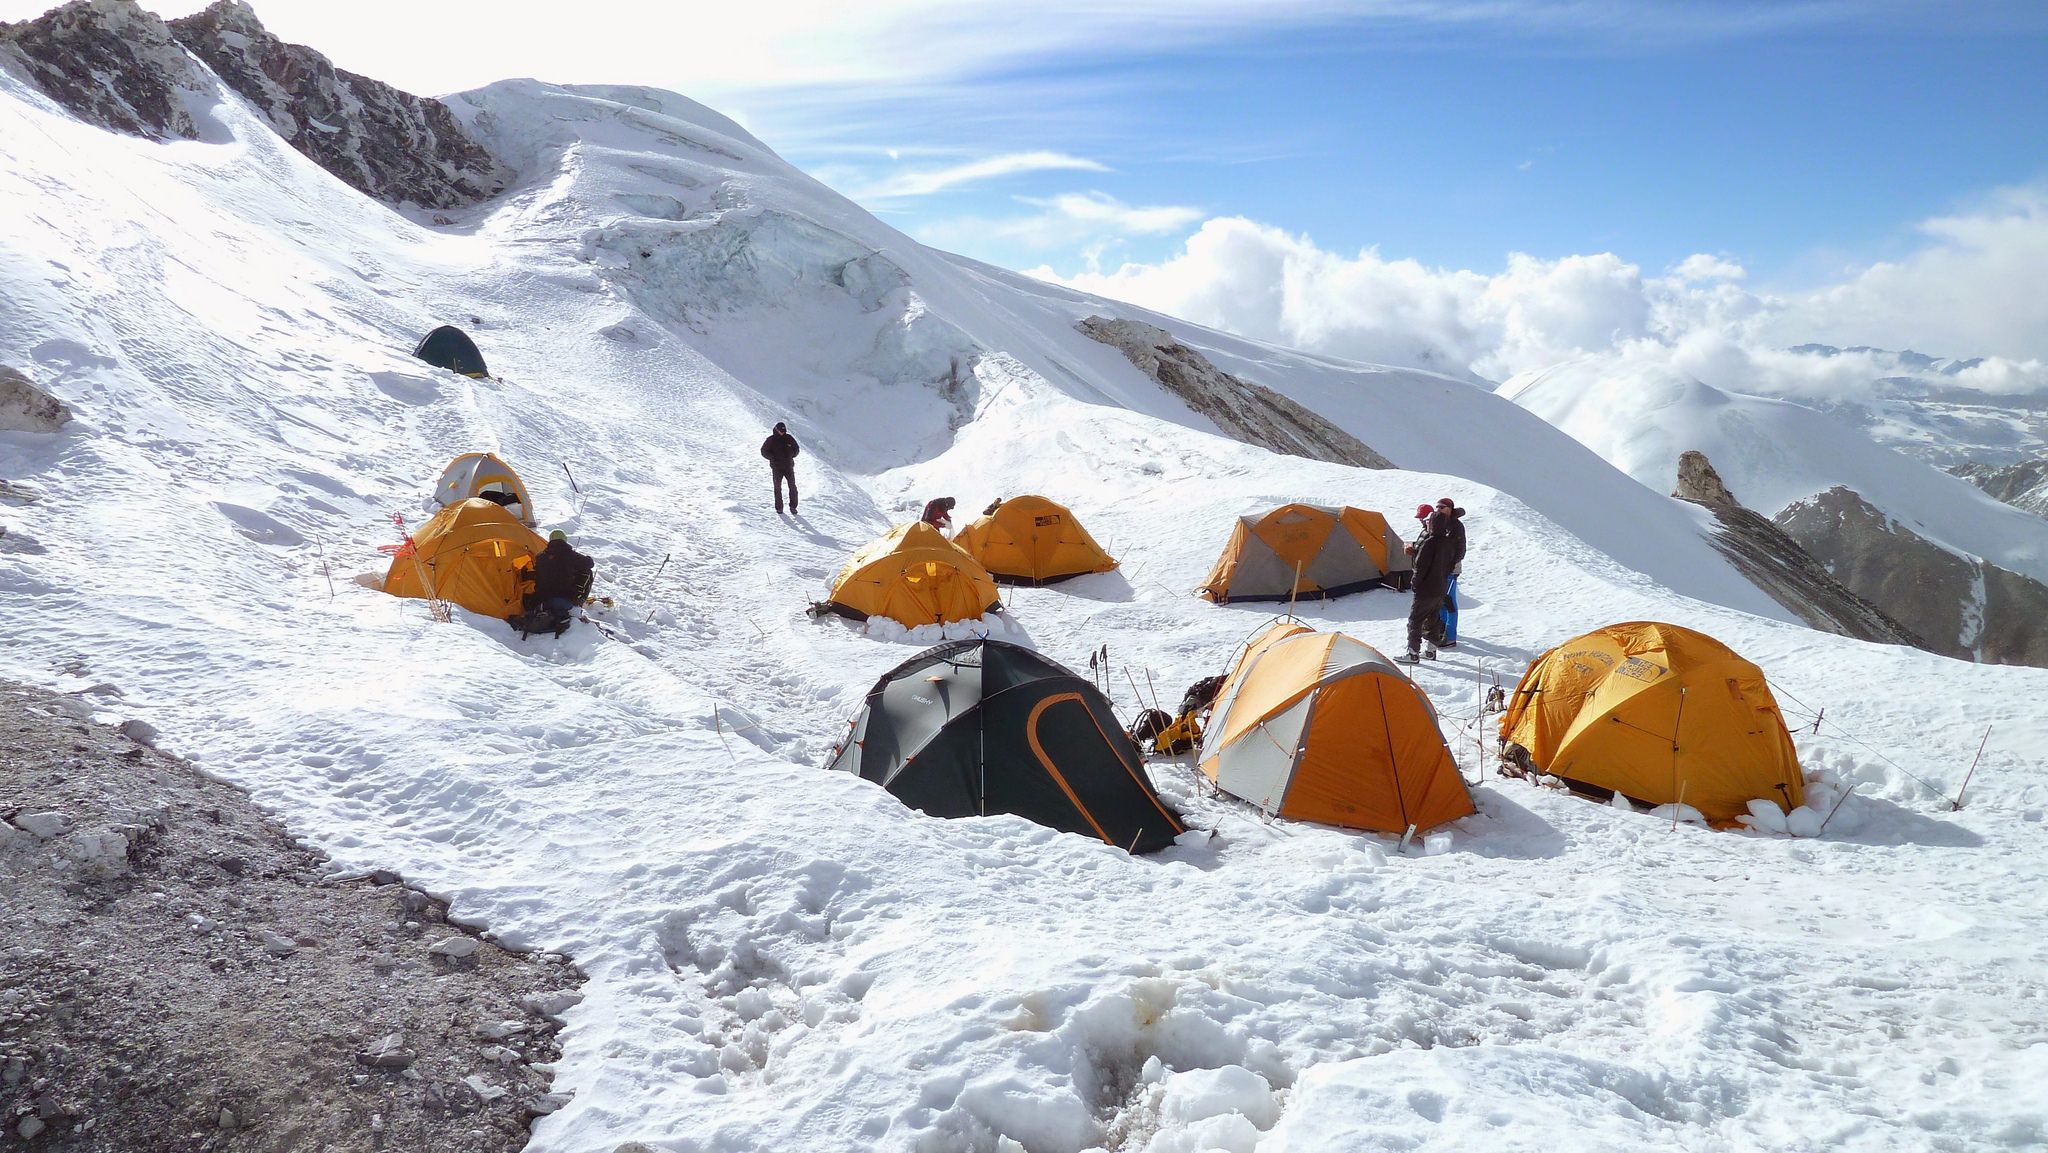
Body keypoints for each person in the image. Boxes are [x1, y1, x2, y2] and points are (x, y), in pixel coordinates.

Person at [1399, 502, 1457, 664]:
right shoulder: (1448, 543)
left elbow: (1421, 566)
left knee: (1415, 620)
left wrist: (1415, 583)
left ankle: (1412, 653)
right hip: (1440, 587)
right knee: (1434, 619)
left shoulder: (1429, 543)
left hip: (1426, 589)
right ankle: (1431, 651)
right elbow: (1450, 565)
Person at [518, 529, 594, 637]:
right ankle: (578, 603)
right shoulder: (571, 556)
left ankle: (544, 611)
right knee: (587, 572)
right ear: (565, 540)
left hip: (540, 599)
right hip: (565, 599)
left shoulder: (540, 557)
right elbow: (590, 563)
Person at [1435, 499, 1467, 648]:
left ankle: (1450, 637)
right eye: (1437, 507)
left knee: (1449, 603)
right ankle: (1442, 633)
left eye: (1442, 507)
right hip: (1440, 569)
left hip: (1450, 570)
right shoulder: (1441, 523)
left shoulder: (1456, 526)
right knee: (1441, 602)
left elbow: (1461, 549)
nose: (1438, 509)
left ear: (1449, 508)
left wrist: (1450, 565)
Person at [760, 422, 800, 515]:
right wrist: (772, 457)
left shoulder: (789, 438)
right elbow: (763, 451)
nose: (782, 433)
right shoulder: (771, 440)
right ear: (776, 430)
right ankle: (779, 508)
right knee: (777, 488)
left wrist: (792, 455)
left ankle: (793, 507)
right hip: (777, 468)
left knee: (792, 487)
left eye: (784, 431)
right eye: (781, 431)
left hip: (789, 467)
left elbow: (796, 448)